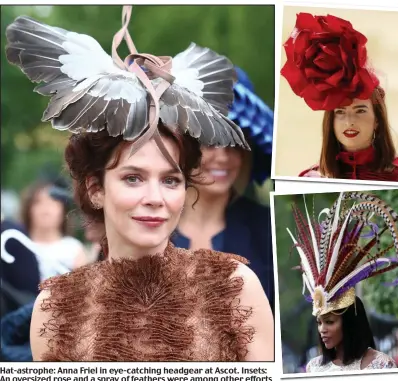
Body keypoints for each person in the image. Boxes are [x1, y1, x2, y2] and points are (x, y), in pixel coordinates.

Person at [6, 5, 274, 361]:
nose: (154, 198)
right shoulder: (53, 310)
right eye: (133, 178)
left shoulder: (237, 288)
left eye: (170, 180)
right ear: (95, 188)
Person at [173, 67, 275, 311]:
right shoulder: (146, 224)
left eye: (234, 144)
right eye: (210, 142)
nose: (223, 157)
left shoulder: (268, 229)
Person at [286, 191, 398, 371]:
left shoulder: (381, 364)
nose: (322, 329)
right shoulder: (314, 367)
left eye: (329, 322)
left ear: (350, 322)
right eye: (320, 322)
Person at [280, 13, 398, 182]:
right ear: (330, 121)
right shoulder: (311, 180)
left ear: (377, 119)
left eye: (360, 110)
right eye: (340, 112)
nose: (349, 121)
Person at [20, 179, 86, 281]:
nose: (46, 209)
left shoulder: (74, 249)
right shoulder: (18, 246)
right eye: (38, 202)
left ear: (63, 210)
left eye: (52, 202)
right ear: (28, 209)